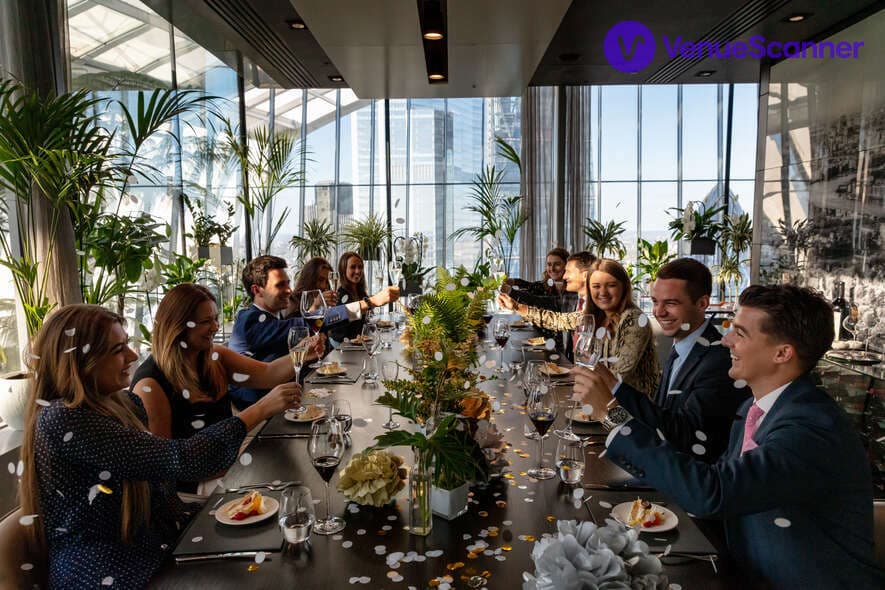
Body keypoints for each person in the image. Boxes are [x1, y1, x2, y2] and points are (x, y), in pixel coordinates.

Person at [603, 285, 883, 588]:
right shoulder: (753, 408)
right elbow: (710, 481)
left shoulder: (812, 428)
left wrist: (609, 413)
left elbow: (713, 492)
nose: (725, 341)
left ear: (782, 353)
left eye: (740, 333)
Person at [20, 304, 301, 589]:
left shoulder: (118, 404)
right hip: (104, 570)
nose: (131, 356)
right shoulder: (63, 418)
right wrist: (259, 411)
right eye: (118, 350)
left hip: (151, 548)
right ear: (81, 361)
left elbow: (161, 486)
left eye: (127, 345)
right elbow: (181, 460)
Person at [572, 258, 749, 460]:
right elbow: (657, 421)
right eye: (655, 302)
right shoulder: (682, 348)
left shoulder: (719, 361)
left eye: (671, 303)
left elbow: (684, 436)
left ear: (702, 304)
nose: (659, 312)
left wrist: (611, 401)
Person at [229, 255, 397, 407]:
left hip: (286, 394)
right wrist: (370, 302)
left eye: (288, 283)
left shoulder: (274, 316)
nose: (289, 290)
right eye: (280, 285)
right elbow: (313, 322)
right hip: (256, 405)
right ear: (257, 290)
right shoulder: (249, 319)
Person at [500, 257, 658, 395]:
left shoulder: (633, 319)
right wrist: (516, 307)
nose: (602, 292)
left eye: (610, 285)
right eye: (596, 286)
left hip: (631, 412)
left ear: (623, 287)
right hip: (600, 399)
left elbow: (617, 377)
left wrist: (580, 378)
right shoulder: (594, 315)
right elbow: (558, 320)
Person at [497, 251, 595, 359]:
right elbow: (539, 301)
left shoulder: (595, 306)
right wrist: (514, 300)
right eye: (549, 264)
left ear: (585, 275)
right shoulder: (571, 298)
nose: (565, 275)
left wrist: (516, 306)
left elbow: (559, 321)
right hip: (571, 359)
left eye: (568, 271)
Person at [328, 251, 400, 345]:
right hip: (343, 346)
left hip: (359, 345)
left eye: (360, 267)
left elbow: (365, 321)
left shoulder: (361, 292)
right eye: (353, 267)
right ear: (343, 270)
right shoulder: (341, 295)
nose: (357, 271)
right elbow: (338, 329)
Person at [505, 247, 575, 311]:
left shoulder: (572, 289)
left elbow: (537, 300)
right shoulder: (546, 285)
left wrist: (510, 291)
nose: (552, 269)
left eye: (557, 264)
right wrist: (513, 281)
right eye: (549, 264)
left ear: (567, 265)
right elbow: (531, 286)